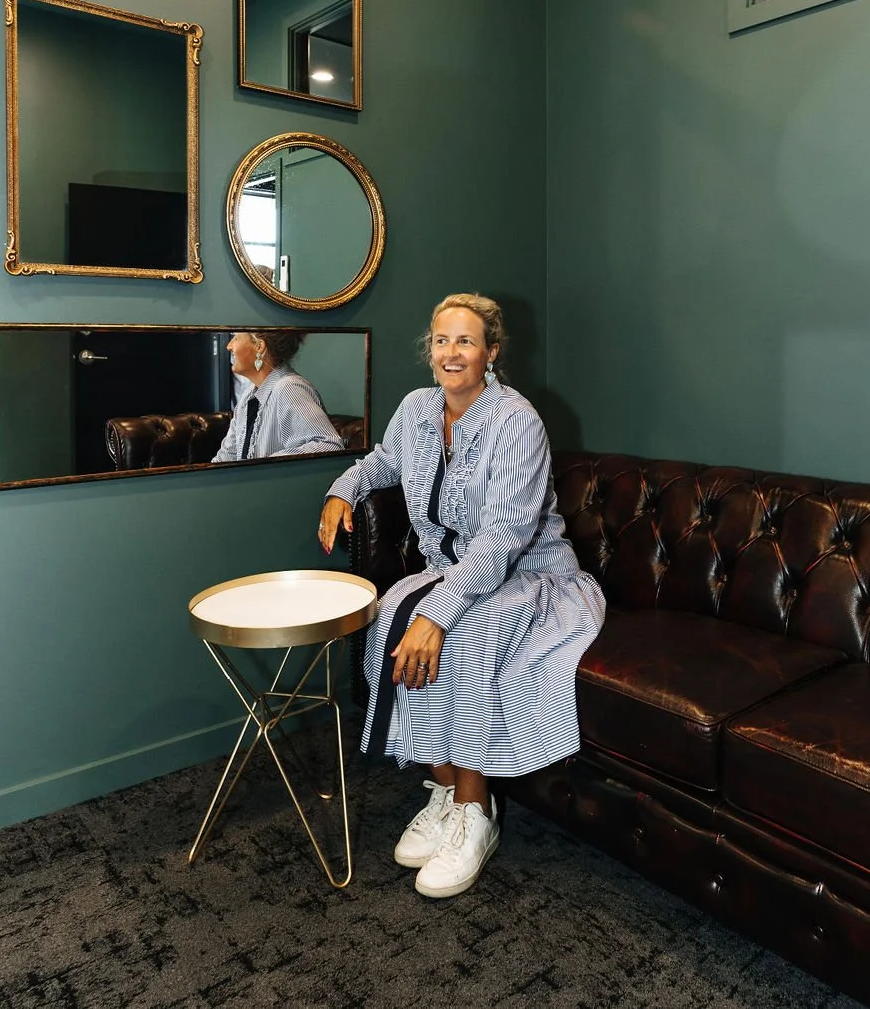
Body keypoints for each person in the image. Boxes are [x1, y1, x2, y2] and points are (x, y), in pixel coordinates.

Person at [319, 293, 605, 899]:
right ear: (431, 350)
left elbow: (502, 541)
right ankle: (446, 788)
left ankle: (478, 813)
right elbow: (382, 462)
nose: (452, 353)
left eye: (467, 341)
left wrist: (440, 612)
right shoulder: (418, 409)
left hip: (529, 577)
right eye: (442, 340)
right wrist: (343, 490)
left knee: (462, 632)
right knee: (389, 615)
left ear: (491, 352)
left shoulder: (517, 421)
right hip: (450, 570)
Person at [212, 330, 345, 461]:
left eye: (235, 338)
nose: (228, 346)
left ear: (259, 347)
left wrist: (266, 467)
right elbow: (227, 456)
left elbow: (330, 446)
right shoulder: (248, 396)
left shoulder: (289, 388)